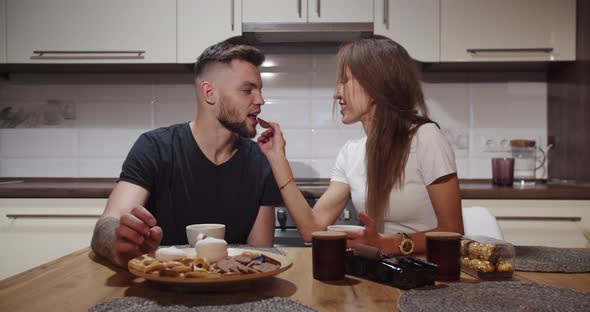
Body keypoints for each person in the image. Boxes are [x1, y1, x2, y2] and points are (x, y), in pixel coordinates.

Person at [257, 36, 464, 256]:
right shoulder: (351, 152)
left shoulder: (426, 138)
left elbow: (453, 232)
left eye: (345, 80)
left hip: (430, 278)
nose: (336, 93)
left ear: (376, 85)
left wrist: (389, 244)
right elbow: (311, 228)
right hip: (382, 276)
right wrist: (278, 158)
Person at [91, 39, 282, 267]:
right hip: (161, 286)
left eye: (260, 90)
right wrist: (117, 241)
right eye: (247, 90)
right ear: (209, 92)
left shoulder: (260, 160)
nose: (260, 100)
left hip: (232, 288)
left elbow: (259, 255)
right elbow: (107, 224)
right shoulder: (154, 147)